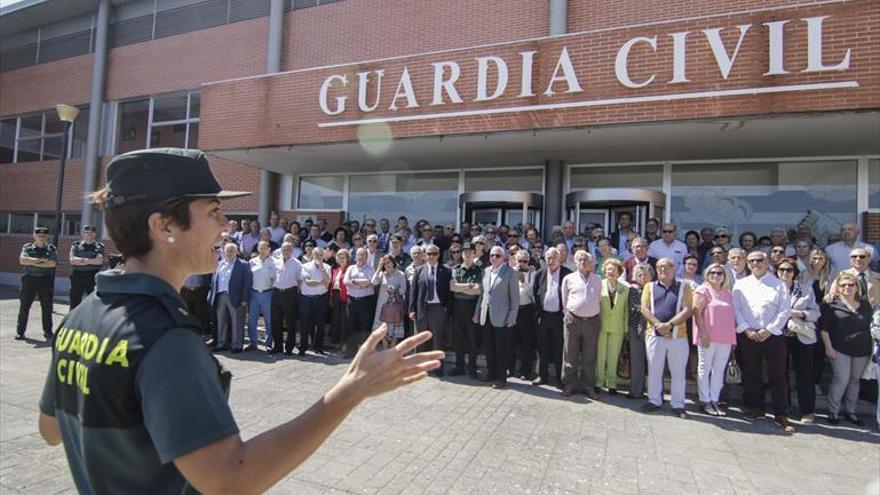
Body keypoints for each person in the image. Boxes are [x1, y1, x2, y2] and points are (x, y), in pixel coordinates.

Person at [37, 148, 444, 494]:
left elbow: (51, 428)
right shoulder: (166, 338)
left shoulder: (82, 315)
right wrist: (351, 390)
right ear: (163, 226)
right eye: (213, 211)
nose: (227, 225)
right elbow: (230, 477)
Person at [733, 251, 795, 432]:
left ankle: (781, 413)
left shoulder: (778, 284)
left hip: (772, 336)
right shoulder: (740, 284)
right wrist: (746, 329)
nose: (755, 264)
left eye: (759, 260)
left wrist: (768, 330)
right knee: (752, 373)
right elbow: (736, 309)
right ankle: (756, 408)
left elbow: (784, 310)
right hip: (749, 335)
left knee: (778, 374)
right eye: (751, 261)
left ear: (767, 261)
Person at [640, 258, 693, 418]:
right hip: (654, 335)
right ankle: (654, 400)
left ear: (674, 268)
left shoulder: (684, 286)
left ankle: (678, 404)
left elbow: (687, 310)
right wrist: (659, 326)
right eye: (660, 267)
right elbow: (644, 308)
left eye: (668, 266)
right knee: (654, 369)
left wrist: (669, 325)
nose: (664, 269)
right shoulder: (649, 286)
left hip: (678, 336)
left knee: (678, 372)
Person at [821, 272, 874, 426]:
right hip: (839, 348)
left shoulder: (865, 305)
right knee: (841, 378)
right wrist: (828, 347)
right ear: (838, 287)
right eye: (843, 285)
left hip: (862, 350)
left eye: (851, 285)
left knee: (855, 381)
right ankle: (833, 411)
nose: (847, 288)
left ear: (857, 287)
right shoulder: (831, 304)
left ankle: (851, 412)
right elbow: (824, 329)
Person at [776, 258, 820, 423]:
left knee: (805, 374)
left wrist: (799, 313)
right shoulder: (771, 290)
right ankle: (783, 407)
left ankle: (807, 410)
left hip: (802, 336)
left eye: (788, 270)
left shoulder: (806, 289)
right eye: (781, 270)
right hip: (778, 336)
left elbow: (816, 313)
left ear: (794, 273)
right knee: (781, 373)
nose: (785, 273)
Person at [692, 263, 736, 416]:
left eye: (719, 273)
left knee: (718, 370)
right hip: (708, 337)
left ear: (724, 276)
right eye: (712, 272)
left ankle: (715, 399)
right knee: (704, 368)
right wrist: (703, 334)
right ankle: (705, 400)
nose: (716, 275)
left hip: (726, 338)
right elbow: (697, 313)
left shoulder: (728, 293)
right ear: (707, 274)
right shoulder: (702, 290)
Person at [473, 246, 519, 389]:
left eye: (498, 255)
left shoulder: (510, 273)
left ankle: (501, 378)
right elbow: (483, 295)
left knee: (501, 349)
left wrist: (512, 317)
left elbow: (515, 298)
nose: (494, 258)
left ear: (503, 257)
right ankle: (491, 373)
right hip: (486, 315)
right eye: (492, 255)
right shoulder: (486, 271)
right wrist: (477, 313)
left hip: (502, 317)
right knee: (488, 347)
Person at [560, 250, 602, 399]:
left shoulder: (598, 279)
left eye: (586, 260)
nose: (583, 262)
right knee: (569, 353)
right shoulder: (568, 279)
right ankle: (569, 384)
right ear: (576, 262)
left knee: (590, 355)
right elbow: (565, 300)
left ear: (591, 263)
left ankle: (588, 386)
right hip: (573, 320)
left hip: (592, 321)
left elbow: (598, 300)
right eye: (580, 260)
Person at [409, 245, 452, 375]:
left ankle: (437, 367)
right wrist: (412, 309)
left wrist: (446, 309)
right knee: (420, 339)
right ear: (425, 256)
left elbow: (449, 293)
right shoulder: (419, 270)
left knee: (437, 339)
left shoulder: (446, 271)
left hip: (438, 308)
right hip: (422, 308)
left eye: (434, 254)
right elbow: (413, 292)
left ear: (438, 255)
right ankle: (418, 367)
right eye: (429, 254)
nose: (431, 256)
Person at [532, 247, 570, 388]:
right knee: (542, 347)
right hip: (543, 316)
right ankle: (542, 376)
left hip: (559, 317)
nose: (550, 260)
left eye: (553, 257)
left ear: (559, 258)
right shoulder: (540, 274)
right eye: (547, 258)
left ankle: (561, 379)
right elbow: (535, 293)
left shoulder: (567, 274)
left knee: (559, 348)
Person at [16, 226, 57, 341]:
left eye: (43, 236)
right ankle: (20, 332)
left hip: (45, 280)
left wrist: (32, 262)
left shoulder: (51, 249)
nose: (41, 238)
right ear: (34, 236)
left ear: (47, 236)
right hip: (29, 279)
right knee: (24, 306)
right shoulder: (27, 247)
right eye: (39, 235)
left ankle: (48, 332)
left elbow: (52, 264)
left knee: (47, 307)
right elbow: (22, 260)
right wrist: (41, 260)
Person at [595, 258, 629, 395]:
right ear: (604, 271)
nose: (611, 272)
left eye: (614, 270)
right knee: (600, 355)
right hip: (601, 325)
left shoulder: (625, 288)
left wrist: (626, 329)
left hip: (618, 327)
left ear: (619, 272)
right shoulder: (598, 285)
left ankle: (612, 384)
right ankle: (598, 382)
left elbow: (626, 310)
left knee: (613, 356)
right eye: (608, 269)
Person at [210, 242, 251, 353]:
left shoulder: (243, 264)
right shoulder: (219, 264)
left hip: (236, 297)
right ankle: (221, 343)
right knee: (221, 321)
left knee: (237, 322)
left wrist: (244, 299)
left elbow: (247, 283)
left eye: (232, 251)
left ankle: (237, 345)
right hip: (220, 296)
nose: (229, 253)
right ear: (224, 252)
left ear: (236, 252)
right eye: (227, 251)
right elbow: (214, 281)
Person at [450, 242, 483, 378]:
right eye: (464, 252)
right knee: (458, 338)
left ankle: (472, 368)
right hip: (458, 306)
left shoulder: (479, 271)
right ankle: (459, 366)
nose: (467, 254)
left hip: (472, 307)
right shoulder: (456, 269)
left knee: (472, 339)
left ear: (474, 253)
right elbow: (453, 288)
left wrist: (461, 287)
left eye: (470, 251)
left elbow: (478, 290)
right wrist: (469, 286)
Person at [270, 242, 302, 355]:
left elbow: (299, 281)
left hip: (290, 294)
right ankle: (277, 346)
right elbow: (272, 277)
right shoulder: (275, 261)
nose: (286, 251)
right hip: (276, 293)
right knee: (276, 321)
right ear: (281, 250)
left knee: (290, 322)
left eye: (288, 249)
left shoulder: (297, 264)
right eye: (284, 249)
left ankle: (289, 348)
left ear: (292, 251)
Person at [626, 264, 652, 400]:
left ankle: (654, 393)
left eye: (645, 275)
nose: (642, 278)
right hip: (635, 328)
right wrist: (645, 308)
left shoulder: (655, 289)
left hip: (653, 329)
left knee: (654, 362)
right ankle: (636, 391)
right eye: (639, 275)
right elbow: (632, 307)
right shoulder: (632, 290)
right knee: (636, 361)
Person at [299, 246, 331, 355]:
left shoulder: (327, 267)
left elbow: (328, 282)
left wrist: (322, 268)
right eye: (316, 254)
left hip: (321, 298)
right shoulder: (305, 266)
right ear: (312, 254)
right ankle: (303, 347)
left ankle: (318, 347)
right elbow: (308, 282)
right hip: (306, 298)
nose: (318, 256)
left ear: (323, 256)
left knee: (320, 324)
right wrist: (321, 282)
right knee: (304, 324)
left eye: (321, 254)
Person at [344, 248, 376, 352]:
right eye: (359, 254)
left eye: (363, 255)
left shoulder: (370, 269)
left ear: (366, 257)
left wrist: (353, 282)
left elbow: (368, 282)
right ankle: (351, 351)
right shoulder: (350, 268)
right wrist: (359, 286)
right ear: (355, 256)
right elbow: (345, 282)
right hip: (352, 300)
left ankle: (365, 352)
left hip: (365, 301)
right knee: (350, 325)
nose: (361, 257)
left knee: (365, 326)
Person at [511, 250, 537, 379]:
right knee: (511, 341)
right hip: (513, 310)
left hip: (527, 310)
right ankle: (510, 369)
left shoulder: (533, 273)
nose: (522, 264)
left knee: (527, 342)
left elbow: (533, 295)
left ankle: (526, 371)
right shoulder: (510, 272)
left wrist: (523, 281)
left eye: (525, 261)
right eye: (519, 261)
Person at [372, 255, 406, 349]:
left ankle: (392, 350)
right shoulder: (382, 274)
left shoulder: (401, 274)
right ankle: (385, 349)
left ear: (393, 262)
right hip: (382, 306)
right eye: (385, 263)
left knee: (395, 330)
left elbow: (403, 290)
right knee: (381, 329)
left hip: (395, 306)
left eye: (389, 262)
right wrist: (379, 268)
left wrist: (392, 289)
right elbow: (374, 282)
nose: (387, 265)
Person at [247, 241, 275, 351]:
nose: (262, 250)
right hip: (254, 293)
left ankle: (268, 344)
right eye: (260, 248)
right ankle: (253, 343)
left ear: (269, 249)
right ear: (258, 249)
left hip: (268, 293)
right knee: (252, 320)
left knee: (269, 320)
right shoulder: (252, 262)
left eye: (265, 248)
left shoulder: (274, 262)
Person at [68, 224, 105, 309]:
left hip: (92, 276)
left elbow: (99, 261)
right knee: (74, 303)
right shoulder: (76, 245)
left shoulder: (99, 246)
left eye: (91, 233)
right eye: (87, 232)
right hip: (77, 276)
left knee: (94, 302)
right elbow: (73, 260)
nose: (89, 234)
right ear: (83, 234)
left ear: (95, 234)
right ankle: (74, 322)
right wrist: (90, 261)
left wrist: (82, 260)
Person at [329, 249, 351, 355]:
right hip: (335, 296)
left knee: (344, 321)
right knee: (335, 320)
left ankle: (344, 344)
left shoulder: (349, 269)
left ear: (347, 259)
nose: (341, 260)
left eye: (343, 257)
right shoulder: (335, 270)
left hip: (345, 296)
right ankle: (336, 343)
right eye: (339, 257)